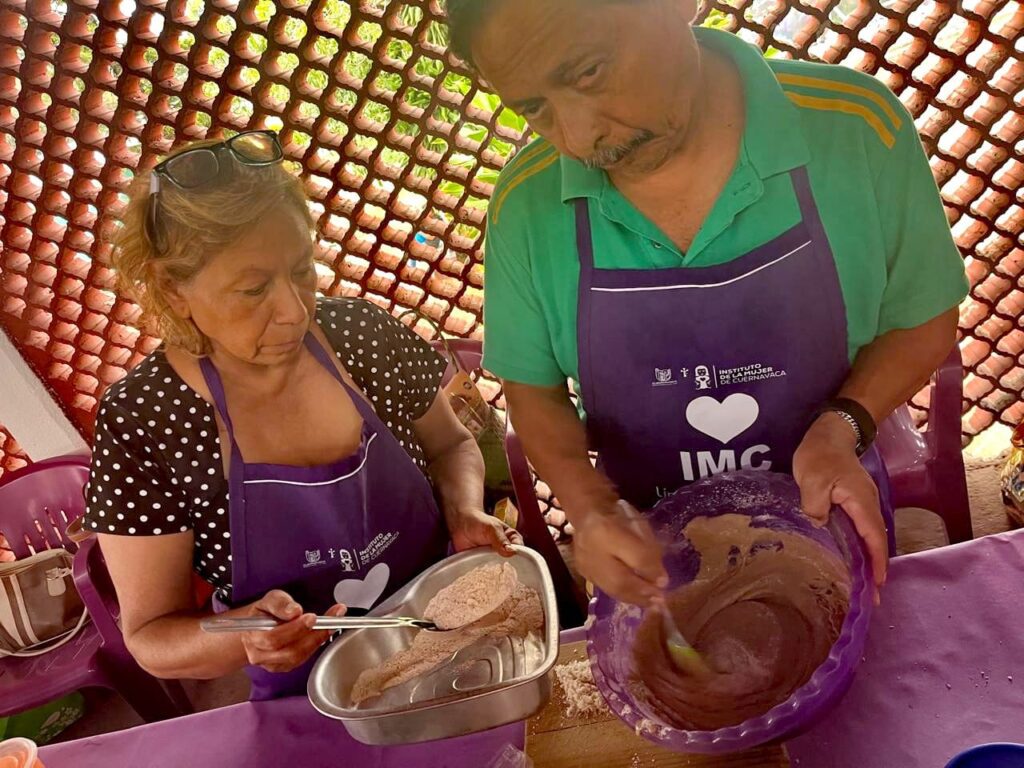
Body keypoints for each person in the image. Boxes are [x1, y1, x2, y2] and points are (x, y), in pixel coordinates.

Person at [447, 0, 968, 605]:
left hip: (830, 505)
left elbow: (925, 319)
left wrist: (841, 427)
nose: (582, 137)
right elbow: (532, 391)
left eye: (588, 72)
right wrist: (589, 508)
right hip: (652, 553)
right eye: (534, 108)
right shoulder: (525, 206)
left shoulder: (855, 130)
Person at [82, 130, 521, 699]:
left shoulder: (359, 335)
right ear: (173, 289)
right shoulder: (146, 420)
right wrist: (242, 636)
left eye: (303, 270)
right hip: (313, 697)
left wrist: (462, 511)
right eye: (253, 288)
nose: (293, 309)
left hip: (459, 635)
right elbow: (150, 637)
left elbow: (452, 444)